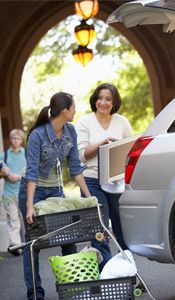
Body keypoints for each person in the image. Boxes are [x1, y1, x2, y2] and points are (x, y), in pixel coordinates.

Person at [18, 92, 91, 300]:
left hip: (56, 191)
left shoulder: (70, 131)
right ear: (64, 111)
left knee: (68, 238)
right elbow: (32, 172)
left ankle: (72, 289)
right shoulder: (37, 135)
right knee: (33, 243)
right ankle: (35, 294)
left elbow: (75, 168)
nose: (75, 110)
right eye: (73, 107)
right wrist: (30, 205)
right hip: (34, 190)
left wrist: (88, 198)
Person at [75, 83, 133, 259]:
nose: (103, 102)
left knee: (122, 229)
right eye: (100, 98)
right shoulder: (84, 122)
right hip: (91, 180)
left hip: (116, 181)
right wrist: (103, 143)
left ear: (114, 102)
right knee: (100, 229)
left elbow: (130, 152)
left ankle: (127, 272)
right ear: (95, 100)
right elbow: (81, 156)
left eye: (108, 99)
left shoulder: (122, 122)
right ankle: (106, 276)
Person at [0, 129, 26, 255]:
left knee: (26, 219)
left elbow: (31, 171)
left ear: (22, 140)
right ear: (10, 140)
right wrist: (4, 173)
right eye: (13, 138)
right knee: (13, 220)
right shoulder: (3, 155)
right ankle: (16, 247)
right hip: (9, 194)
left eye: (18, 138)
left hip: (23, 192)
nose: (15, 141)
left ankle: (27, 244)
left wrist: (19, 176)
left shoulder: (26, 154)